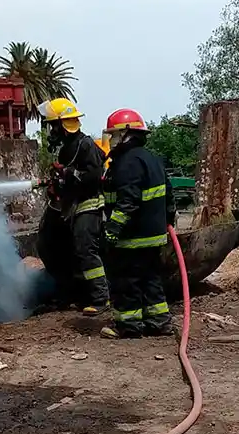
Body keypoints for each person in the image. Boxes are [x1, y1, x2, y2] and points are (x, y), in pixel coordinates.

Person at [99, 108, 176, 339]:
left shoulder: (127, 162)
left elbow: (128, 201)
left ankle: (129, 326)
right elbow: (169, 195)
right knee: (151, 279)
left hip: (132, 237)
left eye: (114, 135)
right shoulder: (151, 158)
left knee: (126, 282)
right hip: (153, 236)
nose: (112, 140)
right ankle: (159, 323)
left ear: (126, 134)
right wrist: (168, 221)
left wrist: (112, 230)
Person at [34, 97, 109, 314]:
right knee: (51, 245)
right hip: (71, 209)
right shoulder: (67, 149)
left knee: (86, 250)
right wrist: (58, 185)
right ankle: (69, 294)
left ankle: (100, 298)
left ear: (63, 125)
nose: (51, 131)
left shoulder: (85, 145)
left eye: (53, 126)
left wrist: (68, 173)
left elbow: (93, 176)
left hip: (89, 207)